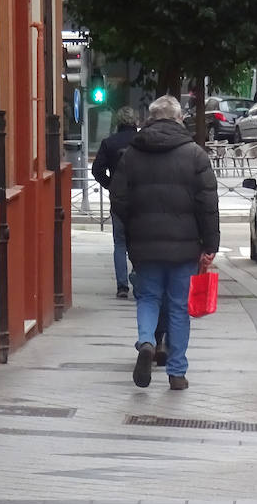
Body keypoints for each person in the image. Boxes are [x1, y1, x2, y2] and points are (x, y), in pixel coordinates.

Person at [110, 94, 220, 391]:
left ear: (150, 119)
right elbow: (208, 203)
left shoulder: (132, 154)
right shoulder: (195, 154)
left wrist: (134, 224)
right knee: (177, 307)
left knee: (147, 298)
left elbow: (118, 199)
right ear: (178, 118)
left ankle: (146, 341)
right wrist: (210, 244)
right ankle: (177, 372)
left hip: (145, 245)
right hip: (185, 247)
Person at [91, 106, 141, 298]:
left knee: (119, 243)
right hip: (141, 200)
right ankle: (138, 279)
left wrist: (110, 185)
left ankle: (122, 286)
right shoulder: (142, 142)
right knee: (138, 241)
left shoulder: (109, 143)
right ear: (135, 122)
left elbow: (97, 170)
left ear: (118, 122)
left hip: (119, 200)